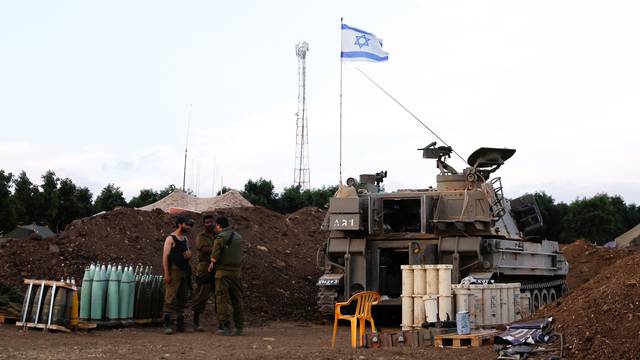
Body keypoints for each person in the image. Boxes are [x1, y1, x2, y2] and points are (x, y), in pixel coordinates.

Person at [208, 216, 244, 336]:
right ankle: (239, 326)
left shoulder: (221, 237)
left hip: (222, 273)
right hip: (236, 272)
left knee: (221, 299)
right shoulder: (239, 237)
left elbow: (214, 257)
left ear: (219, 225)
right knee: (237, 299)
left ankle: (224, 326)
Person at [162, 216, 193, 335]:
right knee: (170, 298)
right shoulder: (171, 238)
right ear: (180, 224)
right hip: (174, 271)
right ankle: (167, 323)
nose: (189, 227)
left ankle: (180, 324)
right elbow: (165, 257)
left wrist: (189, 255)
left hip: (184, 271)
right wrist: (166, 273)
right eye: (187, 224)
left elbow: (188, 253)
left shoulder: (185, 239)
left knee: (183, 298)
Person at [191, 214, 216, 331]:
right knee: (201, 295)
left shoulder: (218, 235)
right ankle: (196, 322)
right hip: (205, 268)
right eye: (207, 222)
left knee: (219, 295)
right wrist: (218, 248)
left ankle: (222, 322)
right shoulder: (201, 236)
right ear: (204, 224)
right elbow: (204, 249)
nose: (209, 224)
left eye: (211, 222)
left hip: (217, 268)